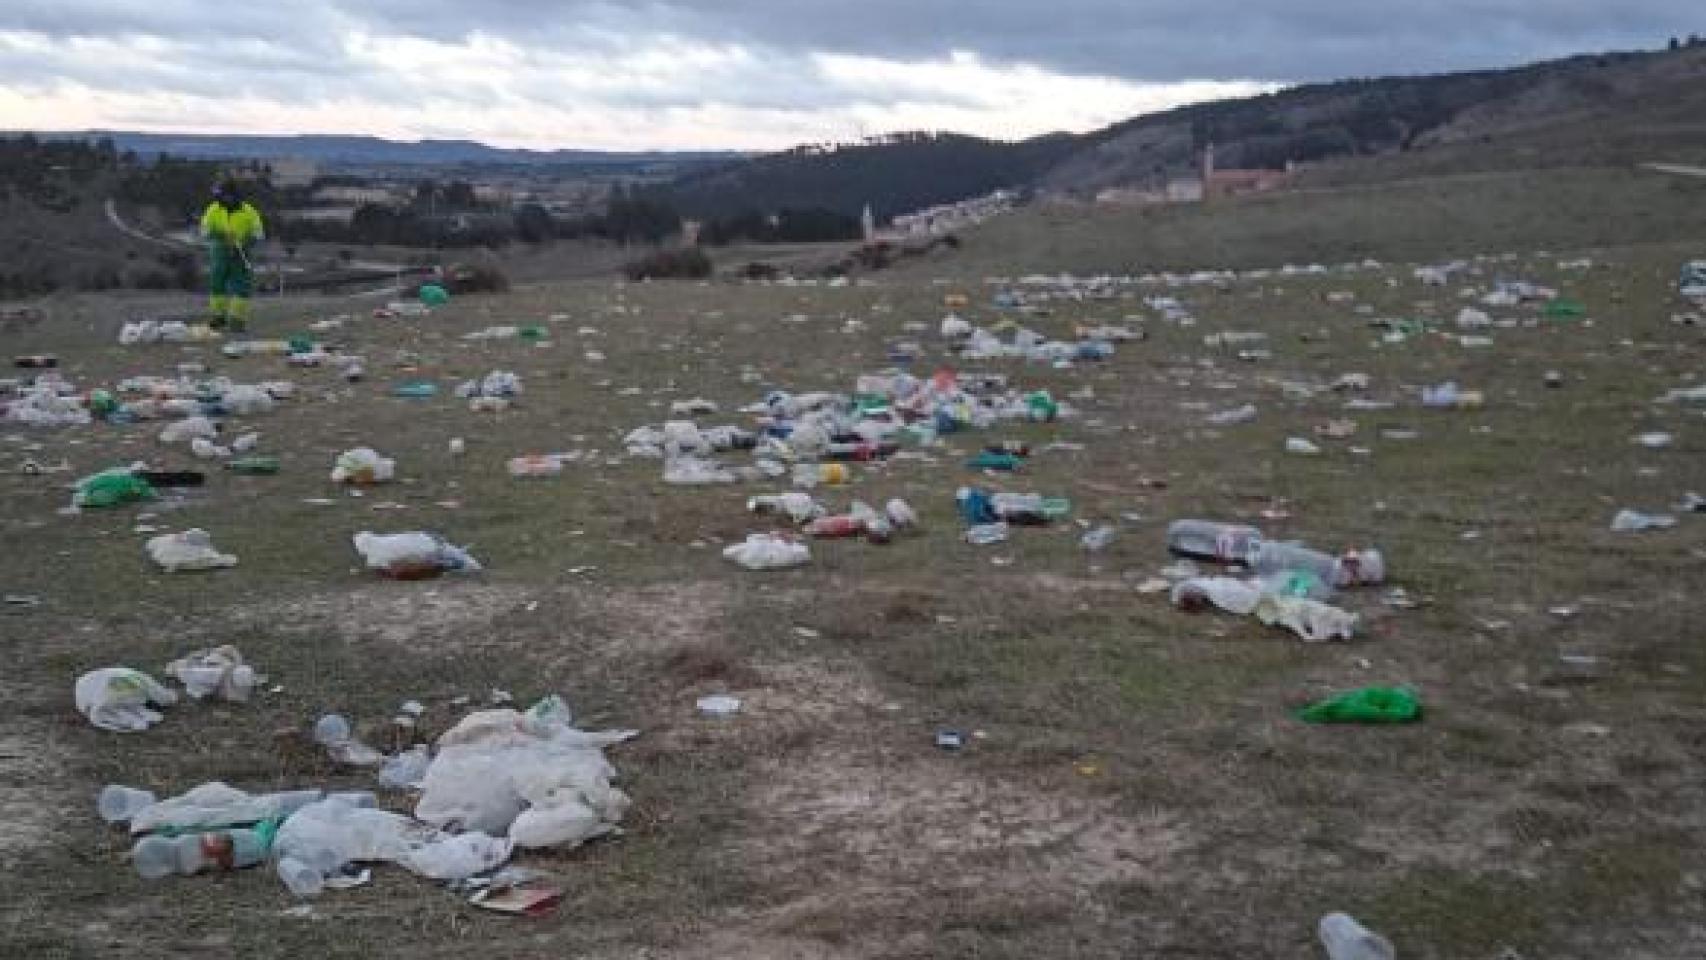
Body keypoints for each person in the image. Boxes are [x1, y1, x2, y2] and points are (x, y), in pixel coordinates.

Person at [199, 180, 265, 331]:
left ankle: (236, 321)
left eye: (222, 195)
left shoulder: (249, 211)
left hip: (241, 254)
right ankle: (218, 317)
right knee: (217, 285)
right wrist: (220, 235)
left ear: (232, 195)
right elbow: (204, 230)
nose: (219, 198)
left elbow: (259, 233)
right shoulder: (213, 210)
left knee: (242, 287)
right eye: (218, 196)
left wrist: (245, 243)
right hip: (219, 252)